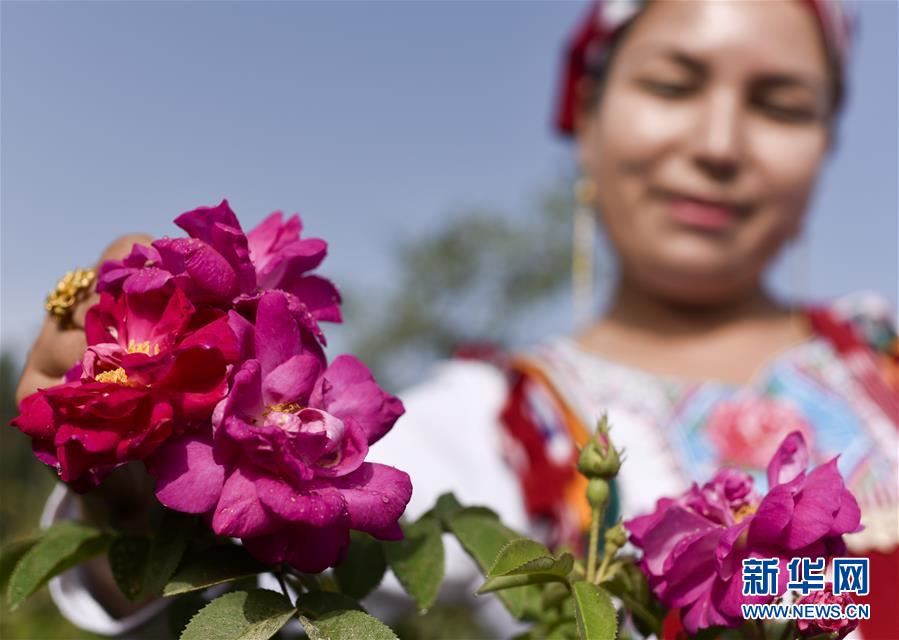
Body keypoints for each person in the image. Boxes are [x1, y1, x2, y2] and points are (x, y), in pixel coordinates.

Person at [14, 0, 897, 638]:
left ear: (826, 141)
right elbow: (215, 598)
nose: (717, 143)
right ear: (586, 116)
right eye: (672, 85)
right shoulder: (493, 426)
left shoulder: (883, 352)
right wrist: (131, 500)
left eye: (779, 103)